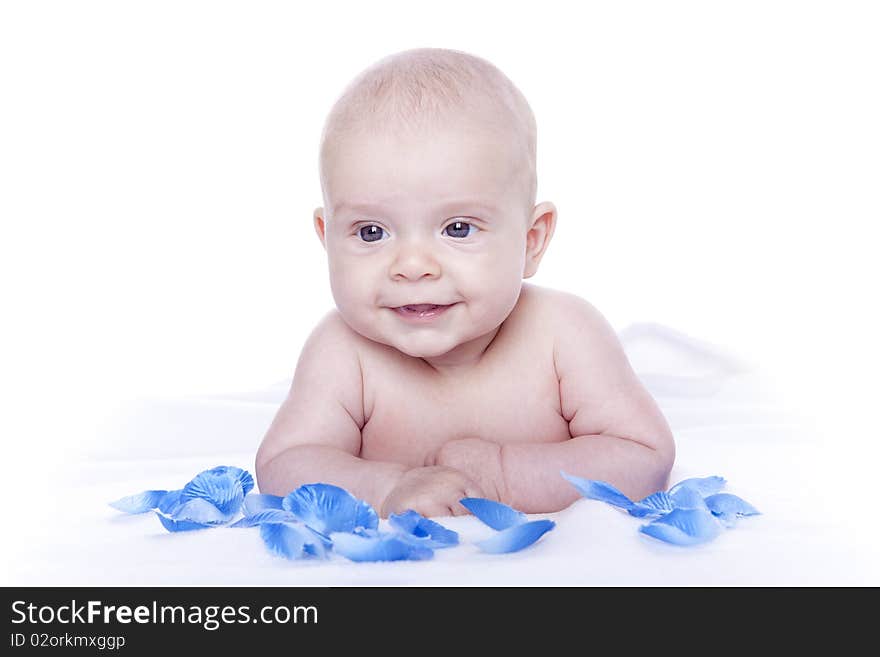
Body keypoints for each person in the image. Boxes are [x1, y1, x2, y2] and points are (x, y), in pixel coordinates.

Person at [255, 48, 674, 518]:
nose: (412, 267)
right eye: (371, 232)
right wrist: (388, 486)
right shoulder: (342, 351)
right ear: (327, 238)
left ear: (532, 241)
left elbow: (644, 457)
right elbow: (284, 465)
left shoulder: (564, 333)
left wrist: (501, 474)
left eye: (458, 228)